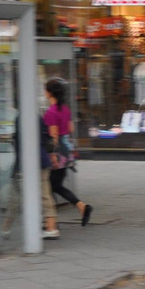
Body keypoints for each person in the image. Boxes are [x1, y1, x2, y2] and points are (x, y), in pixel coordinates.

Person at [44, 79, 92, 230]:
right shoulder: (65, 109)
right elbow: (70, 128)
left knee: (51, 186)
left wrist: (52, 155)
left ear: (50, 93)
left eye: (45, 90)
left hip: (57, 151)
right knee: (55, 185)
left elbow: (53, 135)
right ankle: (80, 207)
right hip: (67, 149)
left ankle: (51, 222)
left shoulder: (51, 112)